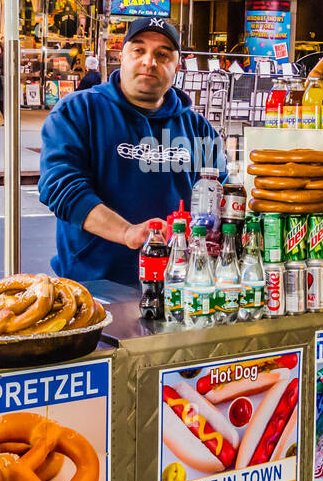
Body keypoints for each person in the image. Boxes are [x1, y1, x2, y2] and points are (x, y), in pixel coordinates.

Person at [38, 17, 223, 285]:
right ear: (121, 56)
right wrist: (127, 232)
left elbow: (218, 197)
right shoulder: (78, 111)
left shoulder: (199, 129)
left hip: (180, 285)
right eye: (139, 50)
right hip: (94, 286)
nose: (149, 62)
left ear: (177, 67)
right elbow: (61, 188)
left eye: (163, 54)